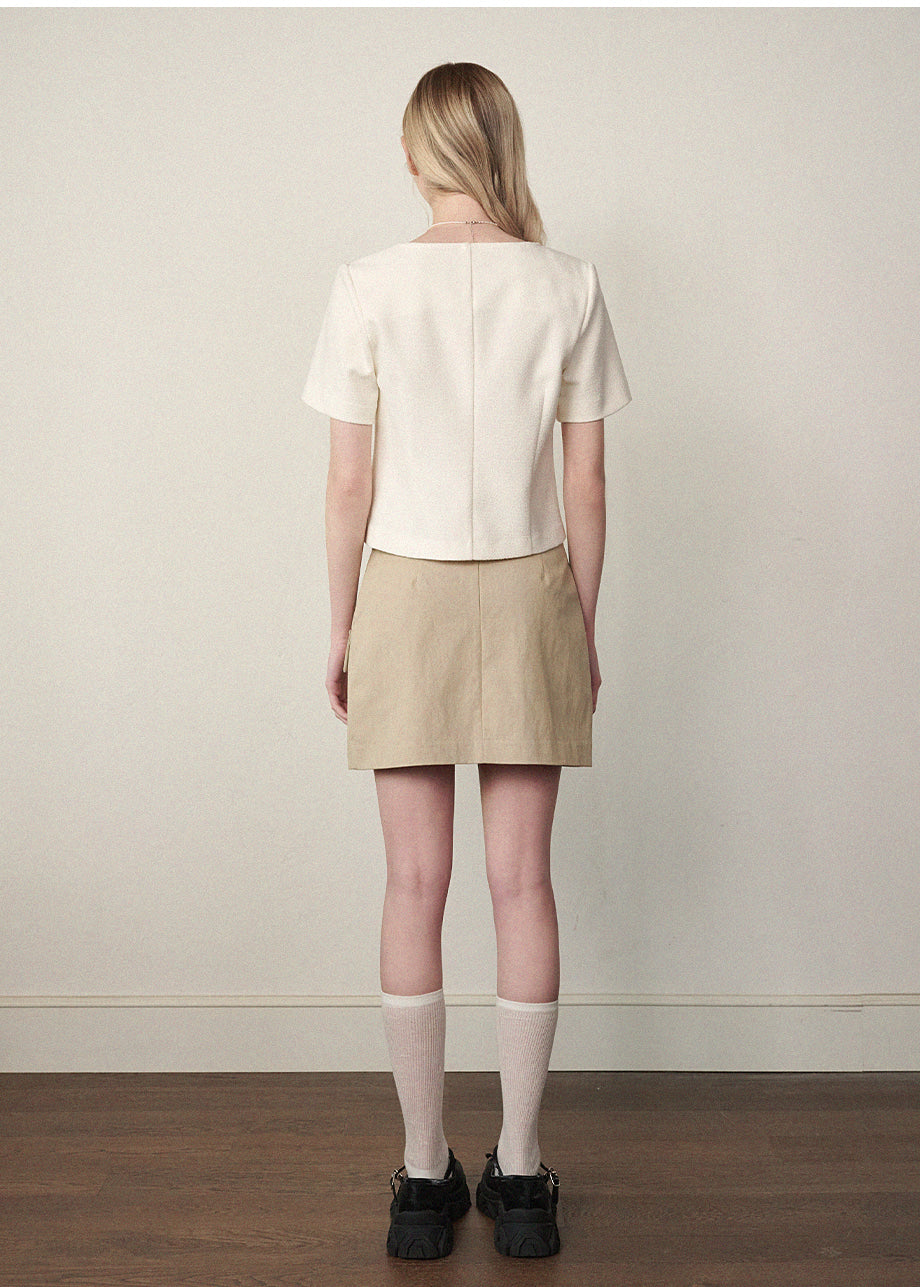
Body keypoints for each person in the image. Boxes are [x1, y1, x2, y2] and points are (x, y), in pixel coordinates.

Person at [301, 61, 631, 1261]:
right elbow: (585, 479)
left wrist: (342, 623)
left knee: (411, 885)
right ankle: (525, 1175)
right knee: (521, 883)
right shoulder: (567, 283)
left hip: (406, 587)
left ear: (414, 155)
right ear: (501, 146)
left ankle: (419, 1174)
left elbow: (348, 482)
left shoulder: (367, 284)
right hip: (530, 581)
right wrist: (577, 623)